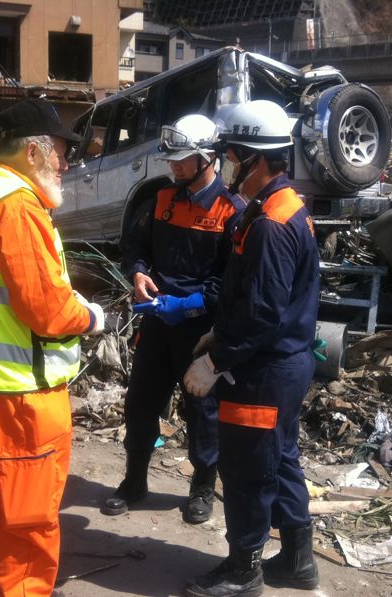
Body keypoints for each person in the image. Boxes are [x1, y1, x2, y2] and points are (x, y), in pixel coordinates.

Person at [0, 98, 104, 595]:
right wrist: (91, 316)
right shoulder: (17, 205)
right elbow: (46, 311)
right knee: (27, 522)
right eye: (60, 151)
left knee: (0, 511)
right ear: (33, 152)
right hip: (19, 396)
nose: (66, 162)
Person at [183, 100, 320, 597]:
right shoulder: (279, 208)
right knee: (281, 459)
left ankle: (244, 571)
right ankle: (298, 561)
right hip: (281, 363)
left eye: (232, 156)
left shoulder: (269, 224)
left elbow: (262, 314)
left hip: (262, 370)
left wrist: (215, 361)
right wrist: (218, 334)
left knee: (246, 469)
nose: (227, 166)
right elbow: (259, 301)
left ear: (253, 158)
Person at [102, 114, 244, 524]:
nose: (174, 167)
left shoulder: (231, 213)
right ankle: (134, 480)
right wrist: (138, 273)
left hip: (200, 332)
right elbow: (134, 248)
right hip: (158, 325)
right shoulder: (160, 201)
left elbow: (233, 283)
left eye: (182, 160)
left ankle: (202, 488)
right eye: (172, 160)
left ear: (208, 158)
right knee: (141, 401)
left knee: (203, 409)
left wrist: (191, 304)